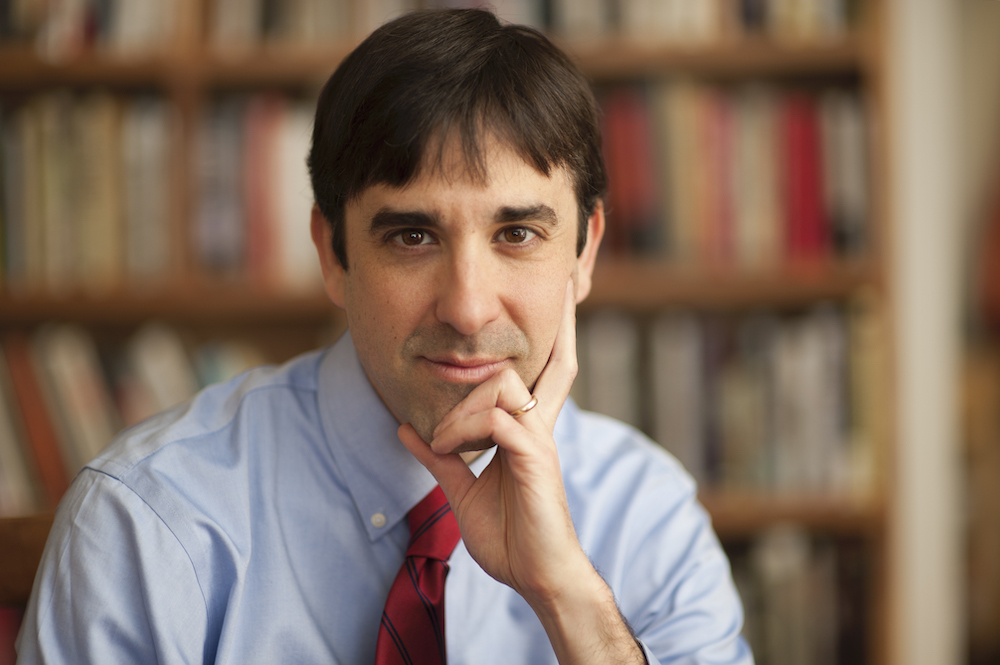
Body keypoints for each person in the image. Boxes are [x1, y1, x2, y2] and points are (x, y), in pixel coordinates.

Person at [17, 9, 752, 665]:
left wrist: (569, 598)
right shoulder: (147, 523)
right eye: (411, 235)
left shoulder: (648, 514)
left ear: (585, 253)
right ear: (334, 253)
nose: (467, 309)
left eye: (518, 232)